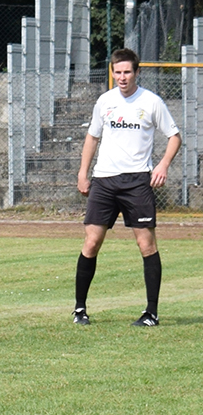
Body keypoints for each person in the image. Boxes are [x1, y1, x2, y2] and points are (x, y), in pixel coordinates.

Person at [73, 48, 181, 327]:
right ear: (112, 72)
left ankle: (151, 313)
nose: (122, 77)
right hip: (105, 181)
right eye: (117, 72)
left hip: (137, 182)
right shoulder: (104, 101)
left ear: (137, 72)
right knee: (91, 242)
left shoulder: (151, 102)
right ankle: (80, 309)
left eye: (127, 72)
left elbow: (174, 137)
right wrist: (83, 173)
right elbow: (92, 137)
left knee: (146, 245)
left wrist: (163, 165)